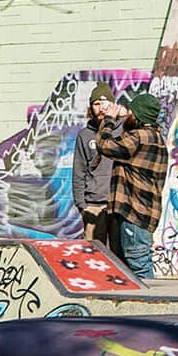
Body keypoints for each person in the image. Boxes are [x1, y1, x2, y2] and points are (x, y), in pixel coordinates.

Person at [88, 90, 168, 280]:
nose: (127, 115)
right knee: (129, 269)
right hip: (143, 214)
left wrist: (109, 119)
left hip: (134, 214)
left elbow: (104, 145)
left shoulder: (138, 137)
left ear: (139, 115)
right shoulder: (156, 138)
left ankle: (150, 307)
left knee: (138, 267)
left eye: (132, 112)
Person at [75, 86, 119, 247]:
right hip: (93, 204)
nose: (101, 108)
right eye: (97, 104)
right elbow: (79, 171)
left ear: (113, 106)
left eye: (105, 103)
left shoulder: (121, 132)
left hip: (117, 204)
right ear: (91, 107)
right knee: (93, 253)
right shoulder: (85, 135)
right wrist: (82, 205)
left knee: (119, 255)